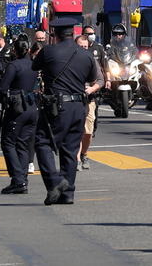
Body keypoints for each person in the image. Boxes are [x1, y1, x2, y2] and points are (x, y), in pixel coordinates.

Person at [33, 17, 99, 205]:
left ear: (55, 34)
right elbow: (92, 77)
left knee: (42, 142)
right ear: (74, 34)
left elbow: (34, 66)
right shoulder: (86, 55)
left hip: (57, 105)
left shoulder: (48, 51)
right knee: (70, 149)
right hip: (79, 106)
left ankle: (55, 181)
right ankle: (67, 193)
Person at [0, 37, 39, 194]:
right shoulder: (33, 65)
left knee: (8, 143)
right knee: (22, 143)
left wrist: (2, 100)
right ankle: (22, 180)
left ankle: (18, 180)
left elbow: (2, 88)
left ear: (14, 50)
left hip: (18, 107)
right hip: (32, 106)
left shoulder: (13, 66)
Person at [78, 25, 105, 170]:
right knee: (76, 130)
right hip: (73, 101)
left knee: (87, 132)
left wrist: (92, 88)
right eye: (80, 46)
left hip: (89, 100)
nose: (83, 48)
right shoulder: (70, 60)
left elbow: (100, 80)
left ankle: (84, 153)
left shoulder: (93, 60)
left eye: (85, 46)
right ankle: (76, 159)